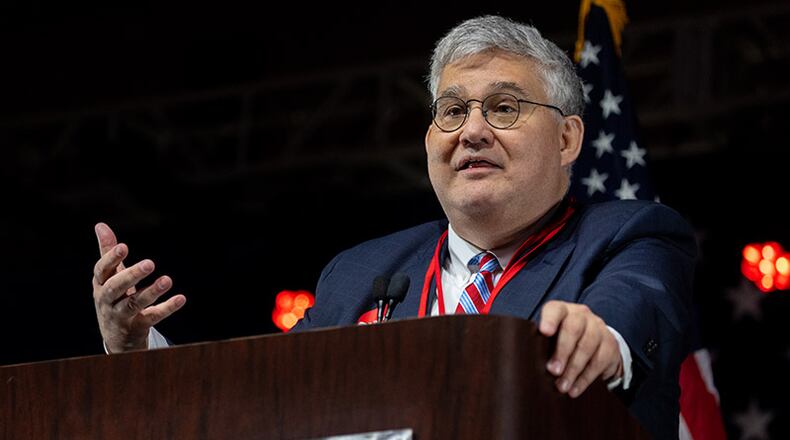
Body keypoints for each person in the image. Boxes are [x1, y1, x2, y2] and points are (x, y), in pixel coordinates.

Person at [91, 15, 695, 439]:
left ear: (567, 138)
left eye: (504, 107)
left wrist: (601, 341)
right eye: (453, 111)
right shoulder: (359, 271)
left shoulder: (630, 234)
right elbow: (260, 399)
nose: (472, 131)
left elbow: (632, 309)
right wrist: (139, 349)